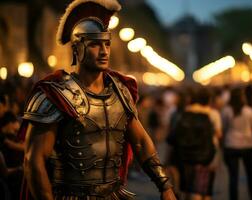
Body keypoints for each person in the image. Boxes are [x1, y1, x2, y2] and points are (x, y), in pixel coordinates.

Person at [18, 0, 176, 199]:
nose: (104, 51)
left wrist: (165, 185)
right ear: (77, 49)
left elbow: (141, 143)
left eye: (107, 44)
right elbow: (34, 160)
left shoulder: (120, 91)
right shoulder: (55, 95)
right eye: (94, 44)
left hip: (114, 194)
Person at [222, 88, 252, 200]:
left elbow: (224, 127)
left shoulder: (226, 111)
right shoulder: (249, 111)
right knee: (251, 175)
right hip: (248, 145)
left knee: (233, 177)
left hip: (231, 145)